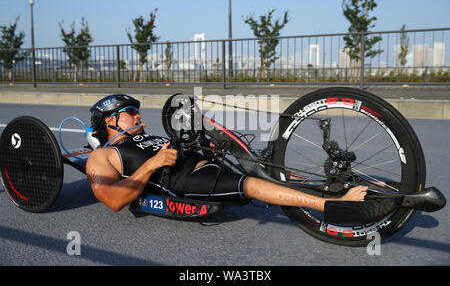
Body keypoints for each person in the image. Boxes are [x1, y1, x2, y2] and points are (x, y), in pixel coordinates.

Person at [85, 94, 368, 212]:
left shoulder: (144, 135)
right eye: (131, 113)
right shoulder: (103, 156)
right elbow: (113, 200)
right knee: (252, 184)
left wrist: (204, 146)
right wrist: (154, 164)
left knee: (264, 167)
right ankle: (330, 205)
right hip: (182, 180)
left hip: (200, 160)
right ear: (110, 121)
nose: (138, 117)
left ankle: (329, 186)